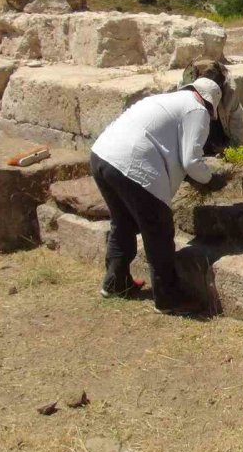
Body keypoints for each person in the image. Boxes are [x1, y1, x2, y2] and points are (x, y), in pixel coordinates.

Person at [89, 77, 223, 315]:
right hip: (134, 164)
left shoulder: (168, 99)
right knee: (158, 231)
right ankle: (168, 298)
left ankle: (115, 283)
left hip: (102, 155)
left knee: (123, 223)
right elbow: (191, 160)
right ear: (211, 103)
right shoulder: (197, 109)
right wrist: (211, 180)